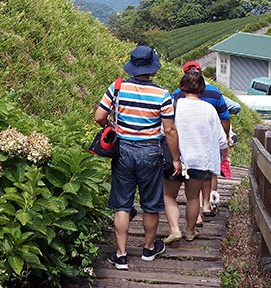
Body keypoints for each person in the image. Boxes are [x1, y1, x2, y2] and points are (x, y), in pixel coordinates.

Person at [94, 44, 180, 271]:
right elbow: (169, 130)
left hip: (123, 150)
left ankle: (121, 255)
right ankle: (148, 249)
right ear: (153, 69)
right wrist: (176, 159)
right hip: (150, 152)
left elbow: (99, 116)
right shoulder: (163, 95)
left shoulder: (118, 87)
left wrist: (112, 125)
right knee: (151, 204)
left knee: (122, 203)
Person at [163, 60, 231, 242]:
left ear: (182, 87)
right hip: (199, 161)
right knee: (193, 198)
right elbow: (221, 139)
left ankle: (175, 228)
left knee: (169, 195)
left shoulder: (174, 105)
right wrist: (225, 154)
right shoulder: (209, 109)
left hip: (175, 158)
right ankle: (190, 231)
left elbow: (165, 131)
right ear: (202, 89)